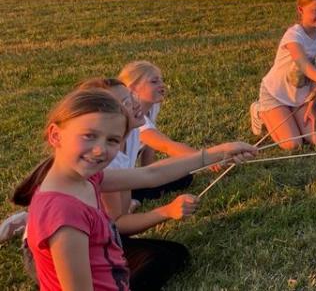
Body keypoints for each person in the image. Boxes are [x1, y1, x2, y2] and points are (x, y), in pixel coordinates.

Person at [12, 87, 255, 291]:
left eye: (112, 140)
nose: (100, 150)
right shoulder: (64, 215)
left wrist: (217, 153)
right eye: (89, 135)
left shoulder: (85, 179)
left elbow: (151, 174)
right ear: (55, 135)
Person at [76, 78, 197, 289]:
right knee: (160, 259)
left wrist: (217, 154)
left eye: (131, 96)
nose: (135, 103)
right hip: (75, 248)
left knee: (176, 254)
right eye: (125, 102)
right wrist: (167, 211)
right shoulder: (103, 159)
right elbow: (118, 224)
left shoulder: (130, 132)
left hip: (103, 223)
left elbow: (150, 172)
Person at [252, 0, 316, 150]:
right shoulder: (293, 35)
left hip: (300, 97)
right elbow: (303, 65)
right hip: (275, 93)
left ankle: (293, 112)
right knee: (293, 144)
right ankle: (259, 110)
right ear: (300, 10)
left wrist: (312, 102)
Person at [117, 62, 199, 201]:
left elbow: (149, 147)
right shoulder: (132, 118)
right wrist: (205, 158)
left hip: (129, 176)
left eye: (161, 80)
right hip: (117, 182)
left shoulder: (152, 106)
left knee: (183, 176)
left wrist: (152, 177)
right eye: (154, 81)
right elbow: (165, 145)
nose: (162, 84)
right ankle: (135, 199)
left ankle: (141, 194)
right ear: (132, 89)